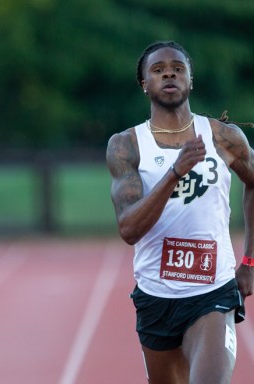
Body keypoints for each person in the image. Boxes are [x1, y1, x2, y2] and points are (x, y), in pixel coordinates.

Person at [106, 40, 254, 383]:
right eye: (157, 70)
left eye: (178, 68)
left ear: (190, 80)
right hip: (156, 297)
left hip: (213, 293)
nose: (169, 72)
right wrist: (175, 172)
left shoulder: (223, 138)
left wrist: (249, 261)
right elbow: (128, 229)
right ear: (145, 84)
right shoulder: (126, 145)